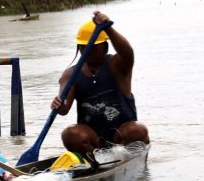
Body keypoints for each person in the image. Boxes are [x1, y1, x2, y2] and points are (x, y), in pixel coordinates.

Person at [50, 11, 150, 154]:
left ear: (104, 46)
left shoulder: (118, 65)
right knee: (70, 134)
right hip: (93, 140)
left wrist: (108, 28)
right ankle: (97, 161)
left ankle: (122, 157)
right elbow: (64, 108)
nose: (87, 51)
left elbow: (128, 53)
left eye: (92, 47)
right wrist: (58, 105)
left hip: (122, 136)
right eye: (83, 47)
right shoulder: (71, 74)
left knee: (138, 130)